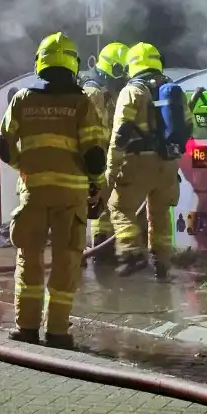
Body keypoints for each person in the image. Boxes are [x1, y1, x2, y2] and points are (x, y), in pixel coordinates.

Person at [0, 32, 105, 348]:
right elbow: (95, 155)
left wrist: (25, 167)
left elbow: (3, 145)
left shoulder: (23, 99)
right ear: (72, 63)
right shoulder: (81, 103)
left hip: (34, 193)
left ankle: (26, 328)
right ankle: (57, 332)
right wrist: (95, 185)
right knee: (66, 261)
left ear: (40, 63)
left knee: (28, 258)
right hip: (70, 197)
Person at [106, 42, 184, 279]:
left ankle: (132, 255)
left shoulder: (132, 91)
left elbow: (119, 133)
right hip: (168, 163)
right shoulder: (172, 88)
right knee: (160, 214)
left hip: (139, 161)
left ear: (131, 66)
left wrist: (111, 169)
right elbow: (185, 127)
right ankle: (162, 263)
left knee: (119, 206)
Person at [80, 42, 130, 265]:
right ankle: (87, 254)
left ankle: (100, 250)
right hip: (92, 157)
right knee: (90, 204)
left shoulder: (105, 91)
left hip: (102, 156)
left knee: (102, 203)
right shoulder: (93, 92)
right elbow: (93, 132)